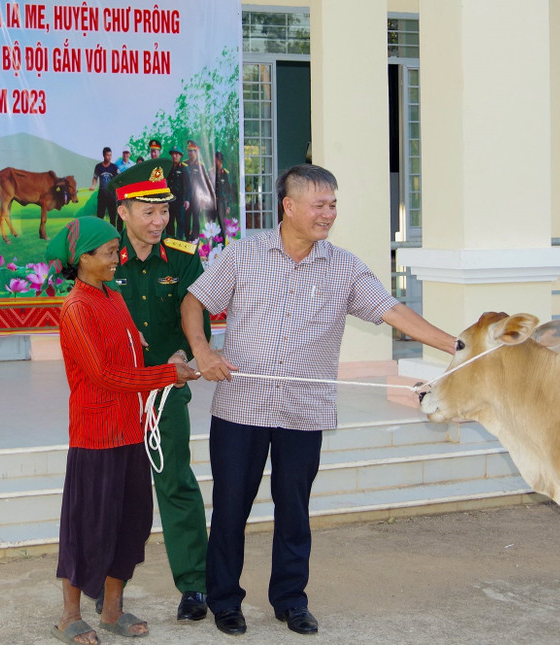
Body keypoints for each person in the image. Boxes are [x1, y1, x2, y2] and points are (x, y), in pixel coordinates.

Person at [180, 164, 456, 637]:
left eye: (333, 205)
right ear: (288, 206)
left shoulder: (345, 267)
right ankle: (225, 600)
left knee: (294, 512)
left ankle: (291, 601)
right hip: (241, 407)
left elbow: (393, 311)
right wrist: (203, 350)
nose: (328, 214)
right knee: (229, 509)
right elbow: (194, 301)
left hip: (304, 412)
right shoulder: (245, 254)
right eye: (319, 205)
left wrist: (456, 346)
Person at [47, 216, 199, 644]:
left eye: (118, 251)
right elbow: (104, 375)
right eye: (111, 252)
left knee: (131, 523)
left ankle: (111, 611)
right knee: (87, 526)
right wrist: (166, 375)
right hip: (95, 436)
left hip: (131, 429)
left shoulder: (113, 296)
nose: (118, 258)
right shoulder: (77, 308)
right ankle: (69, 617)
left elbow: (131, 351)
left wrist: (164, 358)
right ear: (83, 258)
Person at [106, 159, 212, 623]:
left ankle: (194, 586)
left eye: (164, 211)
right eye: (148, 212)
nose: (158, 221)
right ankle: (108, 588)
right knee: (114, 489)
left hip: (166, 392)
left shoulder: (184, 258)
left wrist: (185, 354)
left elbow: (196, 317)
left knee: (176, 483)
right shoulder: (103, 259)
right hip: (116, 393)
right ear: (123, 211)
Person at [184, 140, 217, 240]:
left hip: (196, 197)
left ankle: (195, 238)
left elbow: (204, 183)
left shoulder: (200, 165)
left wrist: (203, 198)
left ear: (196, 152)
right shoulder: (184, 164)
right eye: (189, 151)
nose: (190, 153)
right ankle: (187, 237)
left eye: (193, 151)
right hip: (186, 196)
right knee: (185, 217)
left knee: (195, 217)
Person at [91, 147, 120, 232]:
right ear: (103, 155)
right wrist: (93, 185)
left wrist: (118, 191)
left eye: (110, 155)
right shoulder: (98, 167)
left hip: (111, 196)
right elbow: (95, 178)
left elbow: (118, 180)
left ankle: (112, 233)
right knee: (100, 217)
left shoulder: (114, 167)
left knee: (112, 217)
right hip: (102, 196)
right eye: (107, 155)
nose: (109, 157)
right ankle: (99, 233)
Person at [166, 147, 188, 240]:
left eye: (176, 154)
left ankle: (179, 241)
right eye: (173, 154)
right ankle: (170, 240)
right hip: (170, 199)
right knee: (169, 221)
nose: (174, 156)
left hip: (179, 200)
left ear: (180, 156)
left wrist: (187, 200)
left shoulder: (184, 168)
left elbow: (187, 185)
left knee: (180, 222)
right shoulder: (169, 167)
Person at [212, 151, 234, 229]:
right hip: (212, 202)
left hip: (222, 202)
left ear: (220, 161)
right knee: (211, 223)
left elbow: (228, 191)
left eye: (216, 160)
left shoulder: (225, 173)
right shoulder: (211, 172)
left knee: (221, 223)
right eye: (214, 160)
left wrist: (228, 205)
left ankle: (222, 236)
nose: (215, 162)